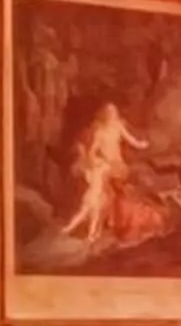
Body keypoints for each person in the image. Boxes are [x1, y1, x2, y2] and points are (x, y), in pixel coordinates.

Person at [57, 101, 172, 251]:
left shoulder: (118, 126)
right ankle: (106, 223)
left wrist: (141, 144)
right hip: (107, 165)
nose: (112, 116)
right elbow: (92, 151)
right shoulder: (99, 132)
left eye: (114, 113)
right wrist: (93, 161)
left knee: (124, 189)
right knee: (104, 193)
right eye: (109, 113)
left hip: (119, 165)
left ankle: (114, 222)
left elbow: (132, 140)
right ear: (104, 116)